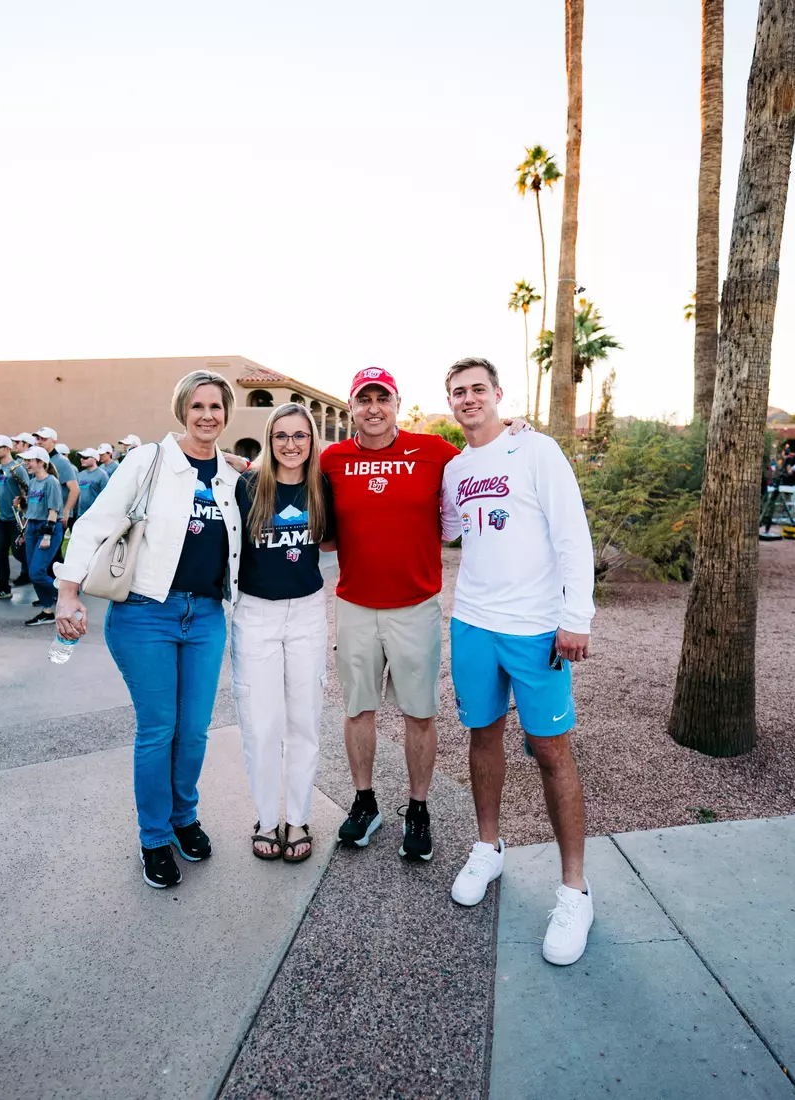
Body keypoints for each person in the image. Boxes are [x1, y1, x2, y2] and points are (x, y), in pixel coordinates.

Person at [320, 368, 528, 862]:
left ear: (397, 403)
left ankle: (418, 807)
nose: (374, 407)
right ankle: (365, 802)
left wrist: (515, 431)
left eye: (382, 398)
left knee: (419, 713)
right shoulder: (332, 459)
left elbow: (484, 463)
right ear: (352, 406)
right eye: (364, 399)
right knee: (358, 710)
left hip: (415, 606)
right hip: (354, 604)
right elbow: (286, 478)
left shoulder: (434, 452)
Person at [54, 370, 241, 890]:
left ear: (227, 413)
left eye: (216, 406)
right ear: (182, 410)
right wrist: (68, 592)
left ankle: (185, 817)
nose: (208, 414)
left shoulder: (228, 476)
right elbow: (95, 522)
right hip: (146, 614)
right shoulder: (147, 461)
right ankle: (154, 836)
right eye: (198, 405)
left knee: (196, 729)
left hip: (204, 616)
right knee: (159, 728)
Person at [440, 357, 595, 967]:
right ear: (450, 403)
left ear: (498, 394)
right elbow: (450, 527)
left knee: (552, 749)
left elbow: (572, 533)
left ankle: (574, 889)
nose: (468, 398)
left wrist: (575, 616)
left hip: (535, 628)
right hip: (473, 621)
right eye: (458, 392)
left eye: (478, 389)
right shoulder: (455, 468)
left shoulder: (536, 450)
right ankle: (488, 846)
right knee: (483, 735)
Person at [232, 402, 335, 862]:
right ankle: (266, 820)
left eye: (300, 436)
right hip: (256, 614)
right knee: (262, 722)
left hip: (308, 612)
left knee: (304, 719)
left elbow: (331, 538)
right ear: (270, 441)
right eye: (281, 436)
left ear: (311, 441)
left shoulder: (322, 486)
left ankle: (297, 818)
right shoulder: (248, 485)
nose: (291, 445)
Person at [20, 446, 65, 627]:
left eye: (29, 460)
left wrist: (47, 536)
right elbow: (31, 510)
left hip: (48, 529)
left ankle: (65, 591)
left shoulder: (51, 482)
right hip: (32, 528)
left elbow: (53, 511)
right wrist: (23, 532)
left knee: (37, 572)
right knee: (33, 573)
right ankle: (47, 611)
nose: (26, 464)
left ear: (41, 462)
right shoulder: (32, 482)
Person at [0, 435, 31, 601]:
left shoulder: (17, 468)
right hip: (2, 518)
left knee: (21, 553)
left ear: (7, 449)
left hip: (16, 519)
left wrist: (25, 516)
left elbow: (27, 491)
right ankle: (3, 588)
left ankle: (48, 581)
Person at [34, 428, 80, 531]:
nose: (40, 441)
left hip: (56, 515)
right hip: (40, 513)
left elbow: (74, 489)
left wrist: (66, 510)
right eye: (38, 438)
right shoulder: (37, 460)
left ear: (54, 442)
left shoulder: (61, 461)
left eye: (44, 439)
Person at [75, 449, 109, 516]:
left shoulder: (102, 475)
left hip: (95, 515)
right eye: (81, 457)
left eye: (85, 458)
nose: (81, 459)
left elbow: (106, 496)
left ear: (95, 459)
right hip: (80, 514)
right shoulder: (80, 475)